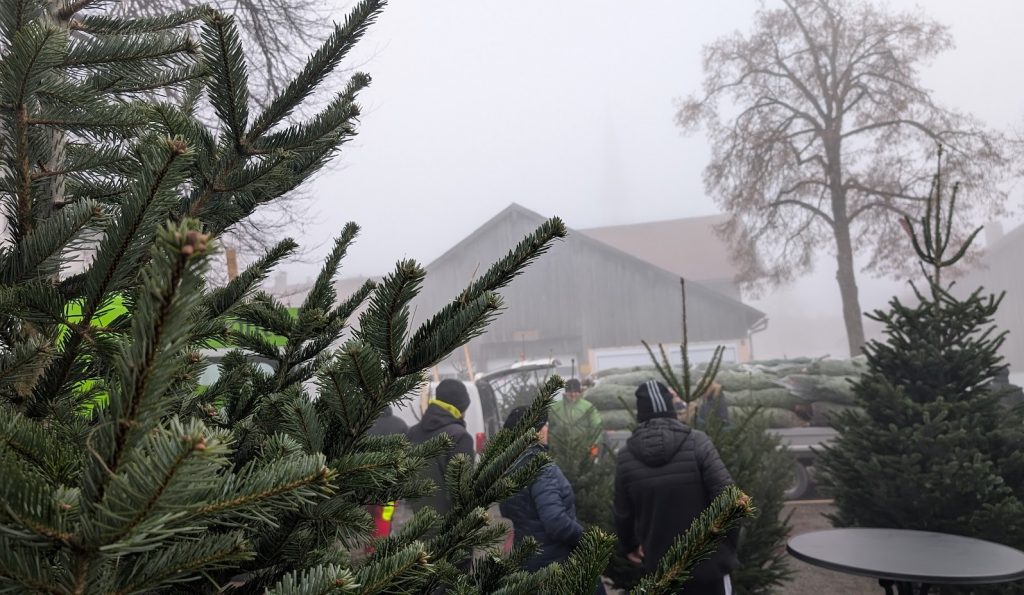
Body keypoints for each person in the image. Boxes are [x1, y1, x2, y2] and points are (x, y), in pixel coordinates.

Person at [614, 380, 738, 595]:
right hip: (710, 567)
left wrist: (630, 546)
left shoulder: (626, 457)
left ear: (640, 415)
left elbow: (622, 514)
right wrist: (726, 546)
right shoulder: (698, 442)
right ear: (671, 409)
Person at [499, 407, 607, 594]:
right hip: (558, 561)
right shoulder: (541, 467)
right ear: (536, 431)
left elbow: (506, 511)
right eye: (545, 425)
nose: (548, 429)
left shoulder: (508, 466)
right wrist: (587, 539)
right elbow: (556, 522)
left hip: (528, 560)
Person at [406, 379, 474, 516]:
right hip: (452, 522)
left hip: (421, 519)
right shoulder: (460, 436)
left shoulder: (413, 432)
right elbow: (462, 490)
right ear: (461, 407)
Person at [364, 406, 410, 546]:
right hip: (391, 484)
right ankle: (378, 548)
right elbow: (408, 454)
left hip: (367, 482)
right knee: (384, 517)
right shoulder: (400, 424)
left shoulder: (365, 425)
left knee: (372, 516)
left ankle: (372, 546)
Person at [549, 378, 604, 456]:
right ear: (565, 392)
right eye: (570, 392)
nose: (573, 395)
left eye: (575, 392)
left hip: (584, 449)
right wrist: (552, 446)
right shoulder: (555, 408)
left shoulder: (588, 407)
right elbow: (550, 428)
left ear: (580, 392)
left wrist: (594, 444)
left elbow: (596, 426)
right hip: (561, 451)